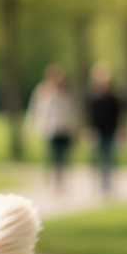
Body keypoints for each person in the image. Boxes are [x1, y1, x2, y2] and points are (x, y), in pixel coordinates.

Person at [26, 63, 78, 191]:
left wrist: (76, 129)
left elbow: (72, 112)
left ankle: (62, 179)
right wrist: (29, 127)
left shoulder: (67, 92)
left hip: (64, 129)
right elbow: (34, 110)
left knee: (64, 156)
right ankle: (54, 180)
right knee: (53, 155)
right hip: (49, 129)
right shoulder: (42, 91)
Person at [86, 62, 123, 193]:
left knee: (109, 156)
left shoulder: (113, 98)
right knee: (98, 156)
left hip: (110, 130)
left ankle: (108, 181)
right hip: (98, 130)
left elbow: (117, 115)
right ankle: (99, 181)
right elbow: (91, 115)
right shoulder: (93, 97)